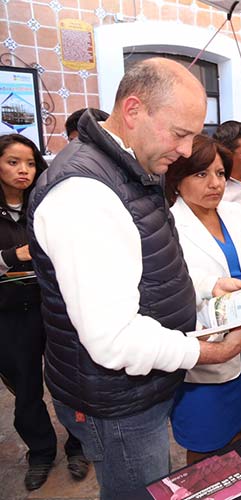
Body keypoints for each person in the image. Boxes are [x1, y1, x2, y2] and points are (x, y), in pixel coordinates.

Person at [26, 58, 241, 499]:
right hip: (116, 402)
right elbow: (113, 338)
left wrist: (204, 287)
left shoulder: (127, 168)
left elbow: (137, 274)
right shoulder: (84, 193)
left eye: (193, 134)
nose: (184, 148)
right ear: (134, 111)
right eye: (179, 134)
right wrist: (207, 353)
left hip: (135, 392)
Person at [0, 134, 89, 490]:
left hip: (52, 307)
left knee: (69, 381)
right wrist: (12, 257)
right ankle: (40, 452)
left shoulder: (45, 204)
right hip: (9, 317)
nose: (23, 170)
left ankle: (79, 445)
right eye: (13, 162)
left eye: (30, 163)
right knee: (25, 389)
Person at [165, 135, 241, 465]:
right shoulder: (167, 224)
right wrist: (210, 286)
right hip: (202, 357)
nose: (215, 184)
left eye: (220, 173)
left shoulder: (233, 213)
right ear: (177, 178)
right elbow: (166, 285)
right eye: (201, 175)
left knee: (237, 438)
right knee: (204, 449)